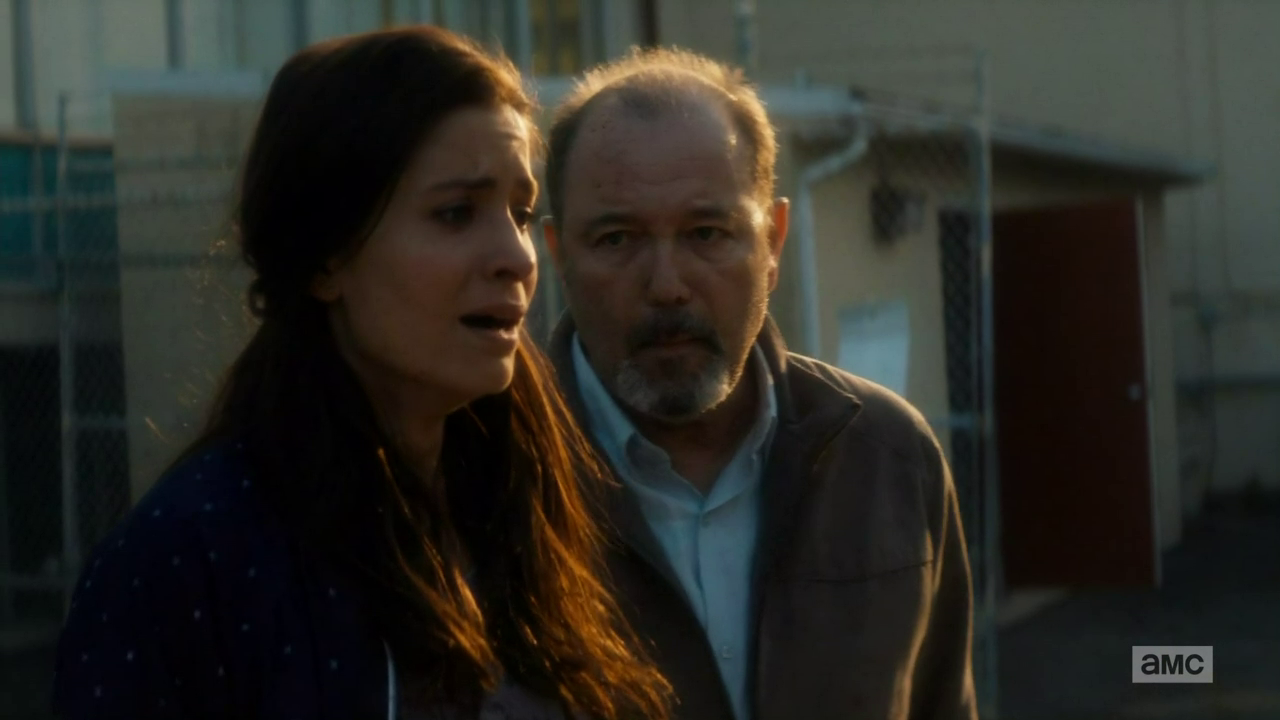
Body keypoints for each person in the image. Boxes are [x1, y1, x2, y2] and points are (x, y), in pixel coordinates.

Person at [52, 27, 672, 720]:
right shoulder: (192, 558)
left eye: (521, 214)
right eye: (455, 213)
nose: (517, 258)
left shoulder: (534, 506)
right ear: (326, 259)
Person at [541, 48, 978, 720]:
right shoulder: (481, 477)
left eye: (706, 233)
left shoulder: (889, 459)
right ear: (558, 254)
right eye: (617, 239)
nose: (667, 286)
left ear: (773, 242)